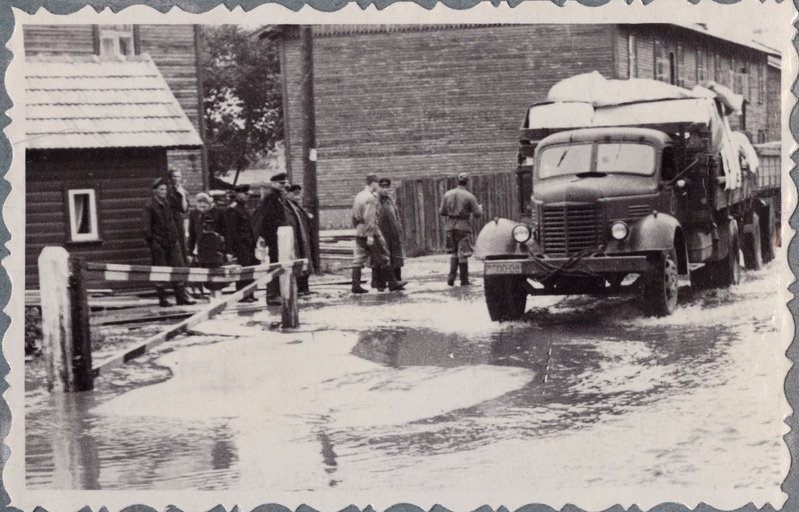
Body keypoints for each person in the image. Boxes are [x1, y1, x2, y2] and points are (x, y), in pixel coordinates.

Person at [142, 177, 196, 307]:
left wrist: (179, 191)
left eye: (165, 189)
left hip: (172, 242)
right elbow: (145, 228)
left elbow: (182, 209)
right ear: (155, 191)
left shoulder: (167, 203)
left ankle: (181, 297)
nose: (164, 192)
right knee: (161, 272)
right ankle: (162, 299)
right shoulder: (149, 206)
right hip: (159, 244)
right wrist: (153, 243)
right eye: (161, 189)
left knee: (178, 269)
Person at [351, 173, 407, 294]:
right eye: (377, 183)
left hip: (360, 230)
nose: (379, 186)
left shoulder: (359, 196)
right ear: (373, 183)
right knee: (384, 257)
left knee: (358, 259)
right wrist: (371, 235)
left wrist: (359, 227)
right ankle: (392, 283)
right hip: (371, 232)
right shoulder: (371, 198)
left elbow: (355, 216)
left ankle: (355, 285)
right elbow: (370, 218)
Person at [439, 172, 483, 286]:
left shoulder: (447, 194)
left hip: (449, 229)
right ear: (467, 182)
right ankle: (464, 280)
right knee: (463, 253)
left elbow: (442, 212)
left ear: (457, 181)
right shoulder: (469, 196)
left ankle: (451, 278)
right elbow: (477, 214)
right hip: (462, 229)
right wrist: (480, 209)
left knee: (453, 252)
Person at [224, 184, 258, 303]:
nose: (247, 196)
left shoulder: (244, 208)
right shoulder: (232, 209)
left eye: (248, 194)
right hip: (240, 245)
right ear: (237, 194)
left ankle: (250, 293)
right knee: (243, 271)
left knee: (251, 269)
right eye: (245, 194)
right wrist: (231, 249)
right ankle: (243, 295)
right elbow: (230, 231)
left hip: (249, 244)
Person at [188, 193, 226, 296]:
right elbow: (192, 234)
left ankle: (217, 301)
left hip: (216, 250)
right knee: (208, 279)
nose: (202, 209)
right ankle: (213, 299)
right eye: (199, 207)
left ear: (209, 205)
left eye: (204, 207)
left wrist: (228, 250)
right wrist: (190, 252)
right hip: (202, 250)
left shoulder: (218, 213)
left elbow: (226, 231)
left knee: (217, 279)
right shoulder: (194, 214)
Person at [259, 173, 289, 305]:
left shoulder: (277, 197)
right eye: (280, 183)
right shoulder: (271, 198)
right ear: (273, 183)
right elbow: (268, 218)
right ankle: (272, 294)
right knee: (275, 265)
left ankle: (276, 293)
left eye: (284, 183)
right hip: (273, 236)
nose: (283, 186)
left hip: (278, 236)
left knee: (278, 263)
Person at [283, 183, 318, 295]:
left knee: (305, 263)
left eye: (299, 194)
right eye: (295, 194)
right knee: (299, 263)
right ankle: (300, 288)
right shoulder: (287, 206)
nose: (297, 197)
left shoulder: (296, 207)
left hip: (303, 239)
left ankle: (304, 287)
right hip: (296, 240)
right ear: (288, 193)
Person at [372, 178, 405, 291]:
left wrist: (399, 227)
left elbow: (397, 215)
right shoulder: (375, 201)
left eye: (387, 186)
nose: (385, 189)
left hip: (393, 235)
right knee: (381, 258)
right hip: (381, 234)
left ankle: (397, 280)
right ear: (378, 187)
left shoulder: (391, 201)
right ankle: (379, 283)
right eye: (382, 186)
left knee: (395, 258)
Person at [167, 168, 190, 263]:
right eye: (174, 176)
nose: (176, 178)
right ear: (170, 178)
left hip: (178, 220)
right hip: (169, 220)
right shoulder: (167, 191)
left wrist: (182, 195)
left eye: (178, 176)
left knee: (182, 245)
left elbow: (184, 210)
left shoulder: (183, 192)